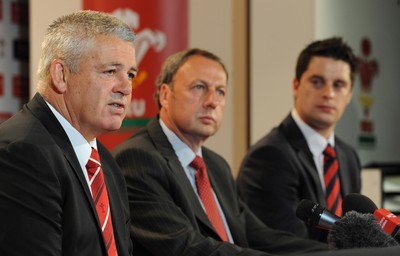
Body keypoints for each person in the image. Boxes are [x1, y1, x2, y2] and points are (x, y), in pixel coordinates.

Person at [112, 48, 328, 256]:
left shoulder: (216, 166)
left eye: (220, 92)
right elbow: (186, 247)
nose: (212, 102)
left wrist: (336, 252)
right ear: (165, 95)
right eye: (199, 87)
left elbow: (258, 236)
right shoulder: (137, 159)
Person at [0, 10, 137, 255]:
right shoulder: (22, 153)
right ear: (61, 75)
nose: (126, 88)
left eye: (130, 74)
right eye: (110, 71)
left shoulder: (106, 163)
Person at [236, 37, 361, 242]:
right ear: (296, 85)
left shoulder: (349, 157)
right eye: (317, 82)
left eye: (338, 85)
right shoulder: (269, 157)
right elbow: (287, 244)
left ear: (349, 95)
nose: (328, 93)